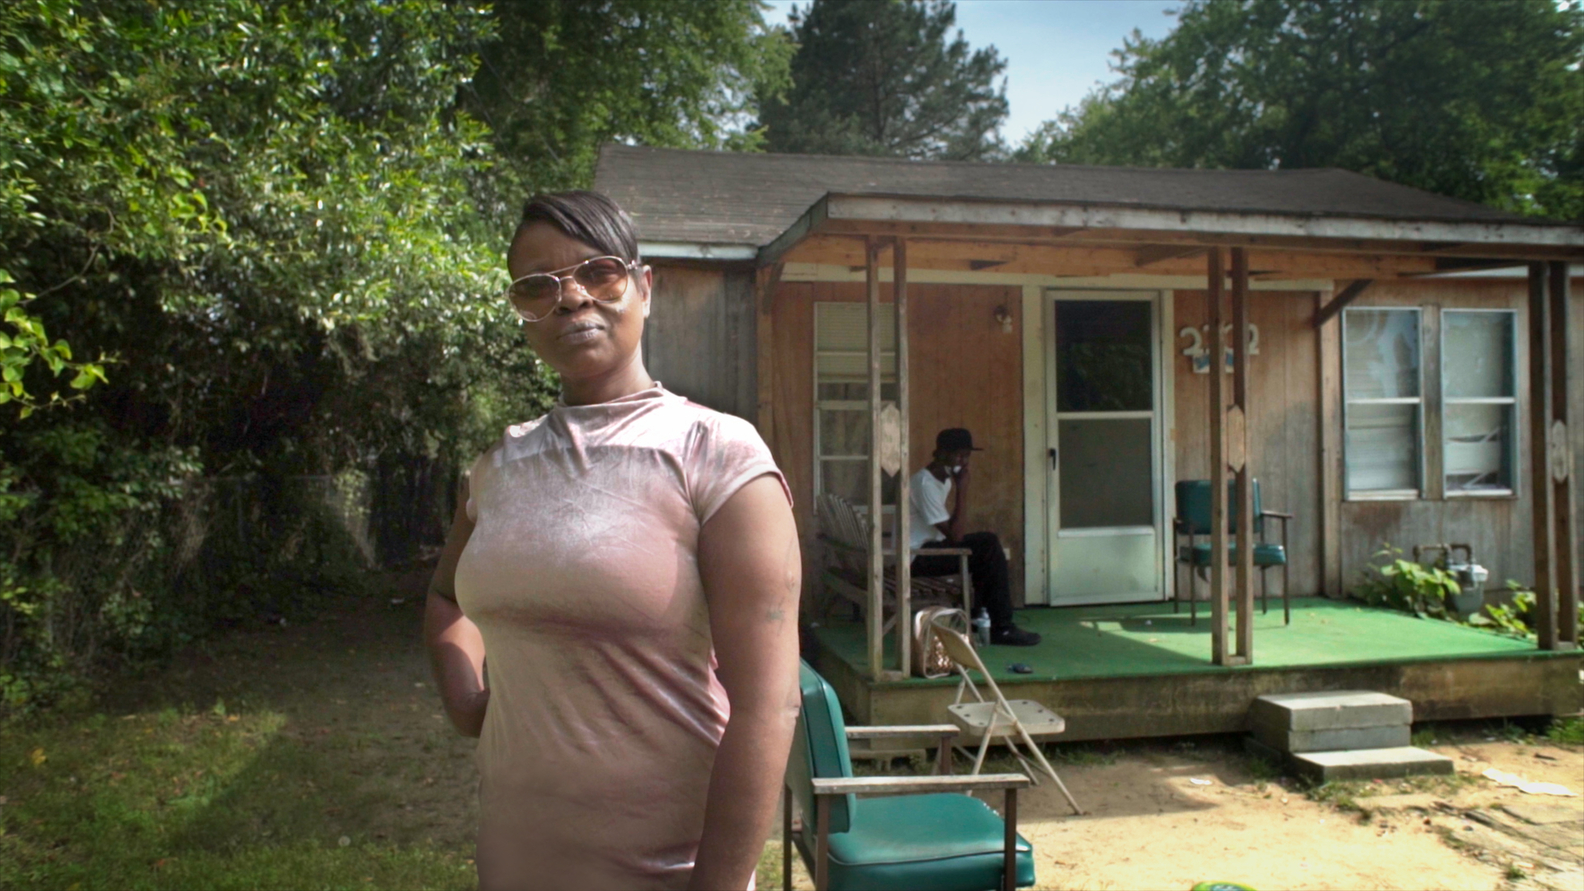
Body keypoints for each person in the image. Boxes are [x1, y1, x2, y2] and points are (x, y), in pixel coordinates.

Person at [423, 191, 802, 891]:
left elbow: (768, 704)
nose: (570, 300)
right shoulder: (497, 468)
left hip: (669, 871)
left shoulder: (717, 455)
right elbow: (448, 596)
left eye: (598, 272)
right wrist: (466, 699)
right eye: (538, 288)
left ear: (644, 285)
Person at [910, 428, 1041, 646]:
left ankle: (981, 618)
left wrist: (958, 486)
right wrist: (963, 489)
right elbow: (956, 536)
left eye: (967, 456)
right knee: (986, 545)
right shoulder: (924, 484)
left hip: (932, 547)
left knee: (985, 547)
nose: (963, 461)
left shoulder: (944, 481)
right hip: (915, 557)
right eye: (958, 455)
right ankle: (1002, 627)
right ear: (940, 453)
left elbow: (952, 534)